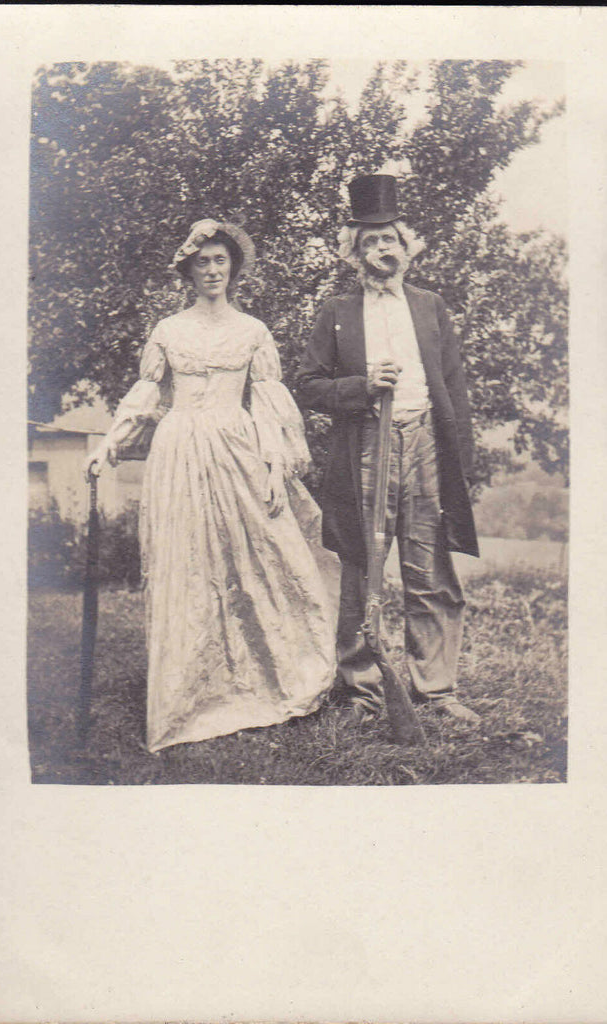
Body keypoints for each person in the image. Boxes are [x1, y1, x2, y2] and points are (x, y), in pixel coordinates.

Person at [85, 218, 335, 751]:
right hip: (178, 451)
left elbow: (268, 404)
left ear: (234, 268)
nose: (213, 270)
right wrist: (110, 442)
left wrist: (275, 465)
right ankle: (186, 695)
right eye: (204, 262)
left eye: (221, 260)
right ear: (189, 271)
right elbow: (146, 392)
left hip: (238, 450)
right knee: (186, 561)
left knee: (263, 556)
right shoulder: (168, 331)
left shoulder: (253, 332)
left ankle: (269, 678)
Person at [296, 173, 481, 725]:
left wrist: (460, 465)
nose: (383, 249)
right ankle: (362, 691)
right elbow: (306, 385)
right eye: (370, 241)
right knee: (361, 568)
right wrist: (362, 386)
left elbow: (455, 385)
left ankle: (438, 690)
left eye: (391, 239)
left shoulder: (430, 306)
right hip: (365, 449)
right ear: (354, 252)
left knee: (430, 570)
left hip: (425, 442)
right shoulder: (336, 312)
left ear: (407, 248)